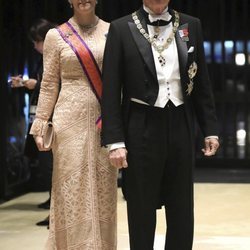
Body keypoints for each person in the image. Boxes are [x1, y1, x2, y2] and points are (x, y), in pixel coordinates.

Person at [101, 0, 220, 249]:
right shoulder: (121, 28)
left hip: (180, 121)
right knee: (141, 206)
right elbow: (111, 89)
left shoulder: (191, 25)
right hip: (140, 125)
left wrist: (210, 128)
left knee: (181, 207)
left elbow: (202, 82)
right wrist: (115, 141)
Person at [30, 0, 117, 249]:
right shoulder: (55, 36)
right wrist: (40, 124)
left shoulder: (113, 31)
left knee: (103, 188)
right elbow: (48, 84)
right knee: (70, 186)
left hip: (103, 119)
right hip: (67, 121)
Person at [11, 19, 56, 227]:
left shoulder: (56, 57)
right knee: (48, 167)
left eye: (37, 41)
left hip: (55, 119)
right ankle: (54, 210)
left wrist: (34, 84)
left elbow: (57, 86)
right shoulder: (44, 59)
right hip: (45, 118)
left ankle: (56, 213)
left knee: (52, 167)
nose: (35, 46)